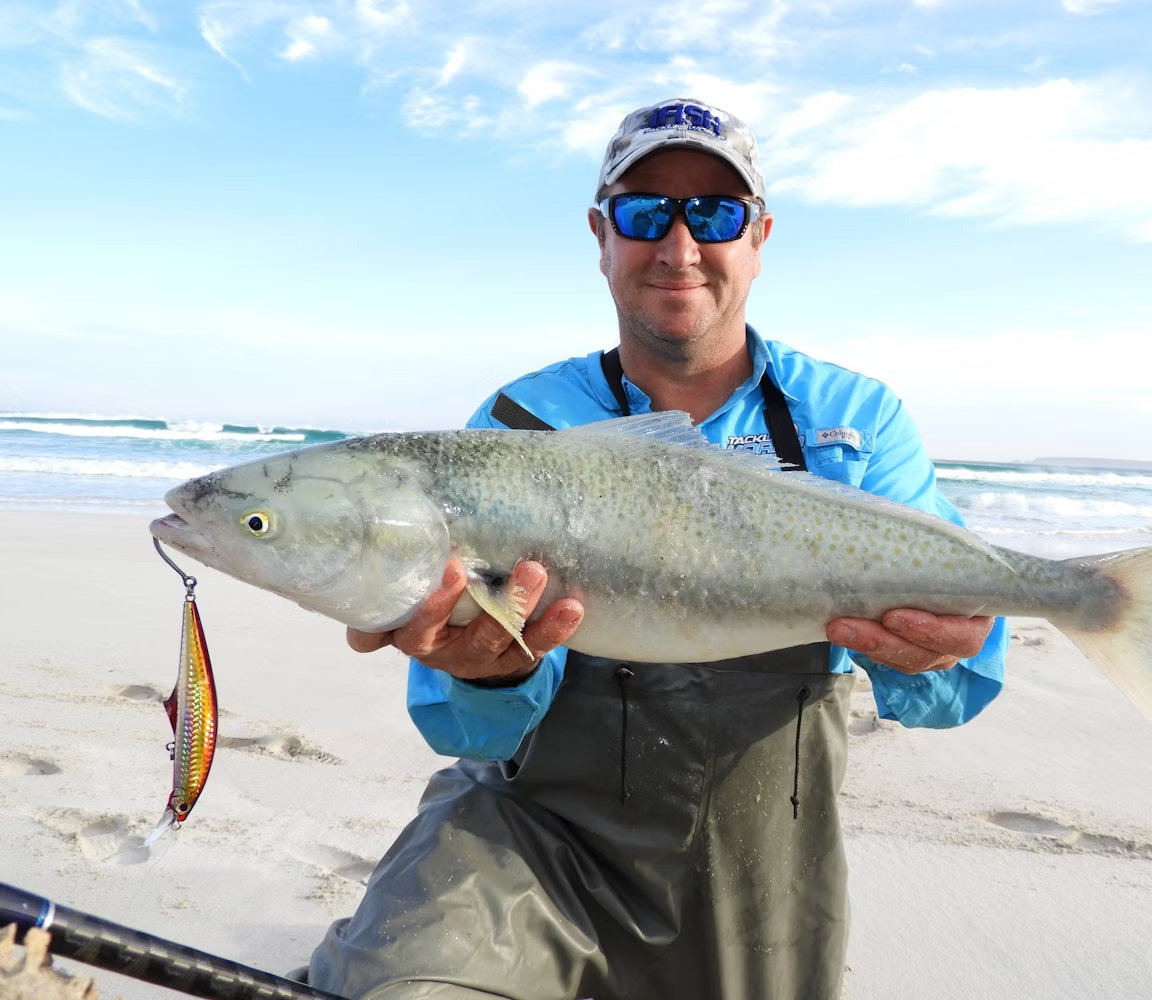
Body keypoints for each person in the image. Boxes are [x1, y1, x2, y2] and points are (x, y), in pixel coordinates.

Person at [306, 98, 1008, 1000]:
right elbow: (463, 728)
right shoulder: (523, 423)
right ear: (601, 235)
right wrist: (486, 672)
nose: (679, 247)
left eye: (713, 215)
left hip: (765, 871)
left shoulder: (856, 424)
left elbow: (944, 696)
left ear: (758, 236)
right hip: (530, 847)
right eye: (646, 213)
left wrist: (948, 642)